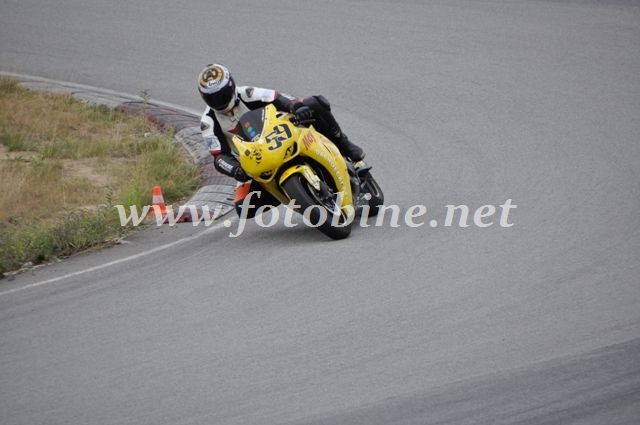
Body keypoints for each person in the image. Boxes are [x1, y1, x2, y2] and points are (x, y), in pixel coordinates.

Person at [197, 63, 365, 218]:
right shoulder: (208, 122)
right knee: (243, 207)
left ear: (232, 86)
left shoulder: (247, 93)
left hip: (282, 135)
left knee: (313, 103)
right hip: (257, 161)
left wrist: (296, 107)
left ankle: (344, 145)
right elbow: (219, 157)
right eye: (213, 99)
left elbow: (279, 98)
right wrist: (235, 169)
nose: (219, 101)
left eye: (222, 95)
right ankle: (299, 196)